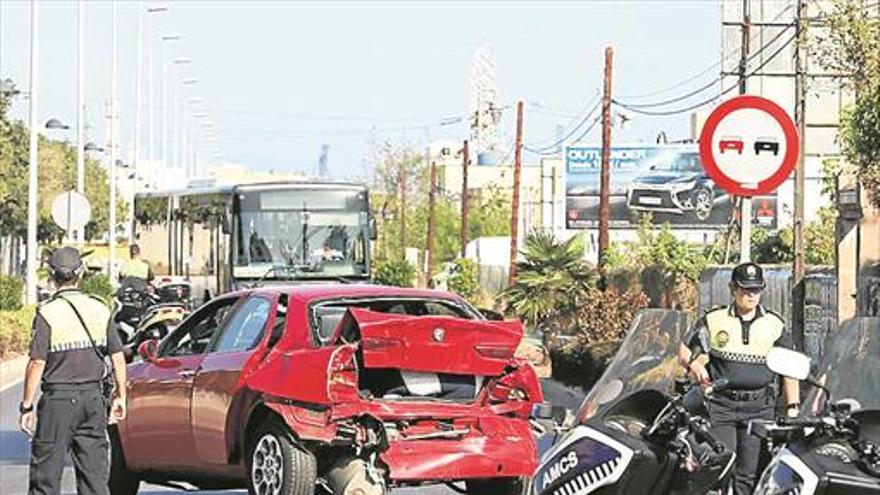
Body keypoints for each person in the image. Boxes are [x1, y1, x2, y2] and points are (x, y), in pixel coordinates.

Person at [677, 261, 800, 495]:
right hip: (721, 405)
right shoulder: (714, 319)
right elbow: (683, 350)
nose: (752, 295)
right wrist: (693, 364)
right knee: (720, 465)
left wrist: (792, 407)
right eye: (746, 289)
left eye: (756, 290)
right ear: (733, 288)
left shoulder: (774, 324)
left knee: (750, 473)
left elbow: (790, 368)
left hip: (759, 407)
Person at [19, 247, 127, 495]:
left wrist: (27, 406)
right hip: (93, 401)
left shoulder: (47, 313)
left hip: (58, 403)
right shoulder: (100, 309)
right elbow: (118, 356)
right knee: (95, 479)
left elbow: (37, 363)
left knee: (45, 478)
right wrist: (121, 395)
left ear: (51, 275)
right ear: (81, 274)